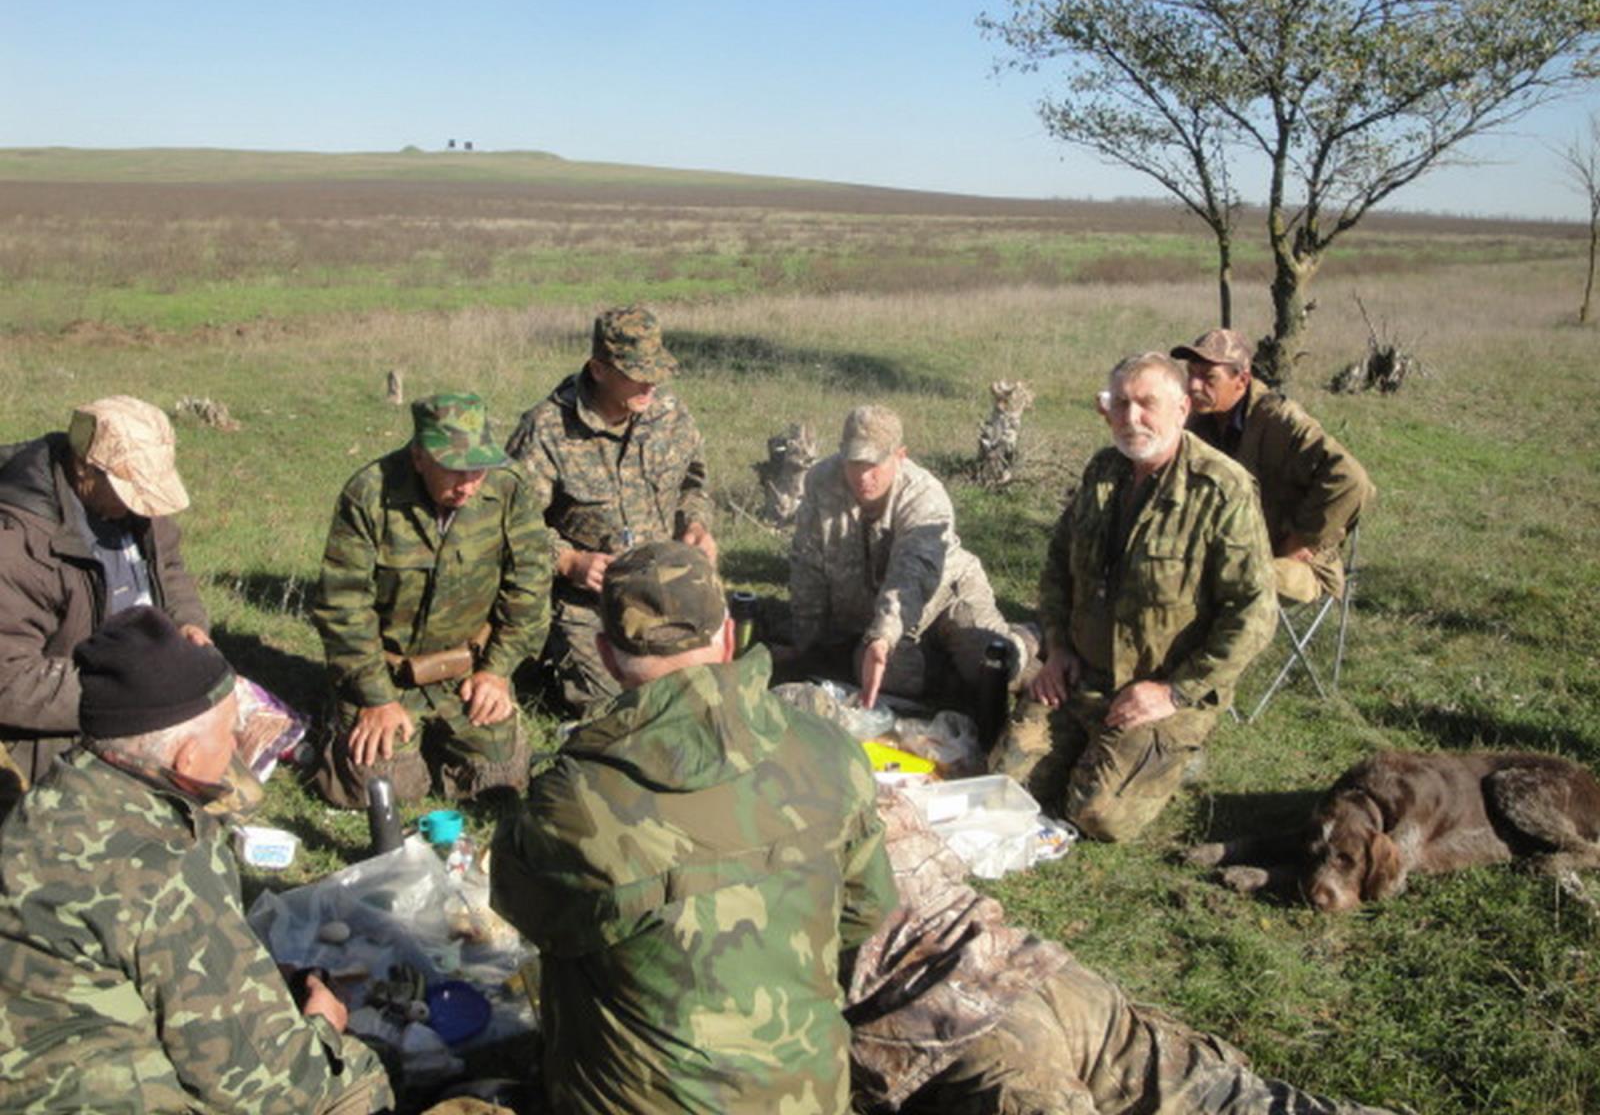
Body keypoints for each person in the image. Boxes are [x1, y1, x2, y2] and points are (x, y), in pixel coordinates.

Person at [489, 540, 897, 1115]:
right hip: (809, 1098)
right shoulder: (830, 750)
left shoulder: (575, 802)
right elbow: (866, 911)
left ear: (606, 657)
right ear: (729, 637)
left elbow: (523, 910)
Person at [0, 607, 394, 1114]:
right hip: (94, 1097)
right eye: (229, 733)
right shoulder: (163, 868)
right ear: (185, 757)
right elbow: (269, 1088)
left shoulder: (56, 797)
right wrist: (323, 1024)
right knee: (353, 1081)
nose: (235, 747)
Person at [847, 785, 1395, 1115]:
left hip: (954, 1030)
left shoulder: (792, 832)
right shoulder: (845, 774)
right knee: (1232, 1099)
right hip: (1027, 969)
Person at [991, 353, 1277, 842]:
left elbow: (1255, 613)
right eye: (1120, 404)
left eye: (1147, 403)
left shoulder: (1222, 490)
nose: (1131, 417)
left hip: (1162, 688)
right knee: (1004, 783)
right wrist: (1057, 649)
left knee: (1095, 815)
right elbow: (1058, 566)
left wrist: (1174, 692)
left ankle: (1175, 751)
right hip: (1083, 675)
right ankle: (1100, 749)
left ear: (1182, 409)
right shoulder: (1103, 471)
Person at [312, 392, 549, 808]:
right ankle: (340, 720)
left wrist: (497, 672)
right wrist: (375, 697)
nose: (468, 485)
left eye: (478, 469)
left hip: (468, 670)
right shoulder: (369, 494)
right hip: (388, 674)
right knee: (381, 790)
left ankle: (443, 741)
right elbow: (342, 606)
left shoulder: (509, 488)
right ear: (419, 457)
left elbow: (530, 587)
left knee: (499, 782)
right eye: (454, 470)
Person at [504, 306, 716, 716]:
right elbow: (511, 524)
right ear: (599, 370)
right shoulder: (546, 430)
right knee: (618, 711)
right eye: (638, 373)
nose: (651, 383)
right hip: (588, 604)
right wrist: (567, 560)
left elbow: (694, 484)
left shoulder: (669, 413)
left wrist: (695, 523)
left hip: (663, 590)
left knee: (699, 693)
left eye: (657, 371)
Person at [0, 396, 210, 793]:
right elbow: (8, 682)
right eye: (128, 489)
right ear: (84, 468)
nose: (140, 506)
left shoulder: (136, 507)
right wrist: (118, 692)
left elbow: (169, 569)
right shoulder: (18, 547)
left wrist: (188, 624)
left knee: (218, 780)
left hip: (138, 689)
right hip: (55, 723)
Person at [788, 404, 1032, 709]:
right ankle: (934, 665)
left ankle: (1027, 638)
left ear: (900, 456)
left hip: (944, 597)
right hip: (874, 612)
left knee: (994, 665)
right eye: (854, 462)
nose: (863, 476)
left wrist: (882, 637)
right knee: (886, 674)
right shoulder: (821, 481)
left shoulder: (924, 496)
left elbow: (911, 577)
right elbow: (807, 565)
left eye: (874, 464)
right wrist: (805, 644)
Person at [1172, 328, 1374, 603]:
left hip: (1295, 565)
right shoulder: (1196, 419)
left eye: (1208, 377)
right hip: (1225, 551)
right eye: (1191, 374)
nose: (1194, 386)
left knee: (1216, 584)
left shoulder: (1279, 421)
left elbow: (1350, 479)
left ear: (1242, 381)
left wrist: (1302, 538)